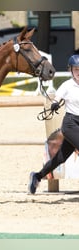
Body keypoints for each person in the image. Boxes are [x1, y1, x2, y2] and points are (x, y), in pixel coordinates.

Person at [28, 54, 79, 194]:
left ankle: (36, 176)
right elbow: (57, 97)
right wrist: (55, 103)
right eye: (76, 69)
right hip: (70, 125)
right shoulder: (67, 85)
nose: (78, 72)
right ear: (71, 70)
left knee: (59, 159)